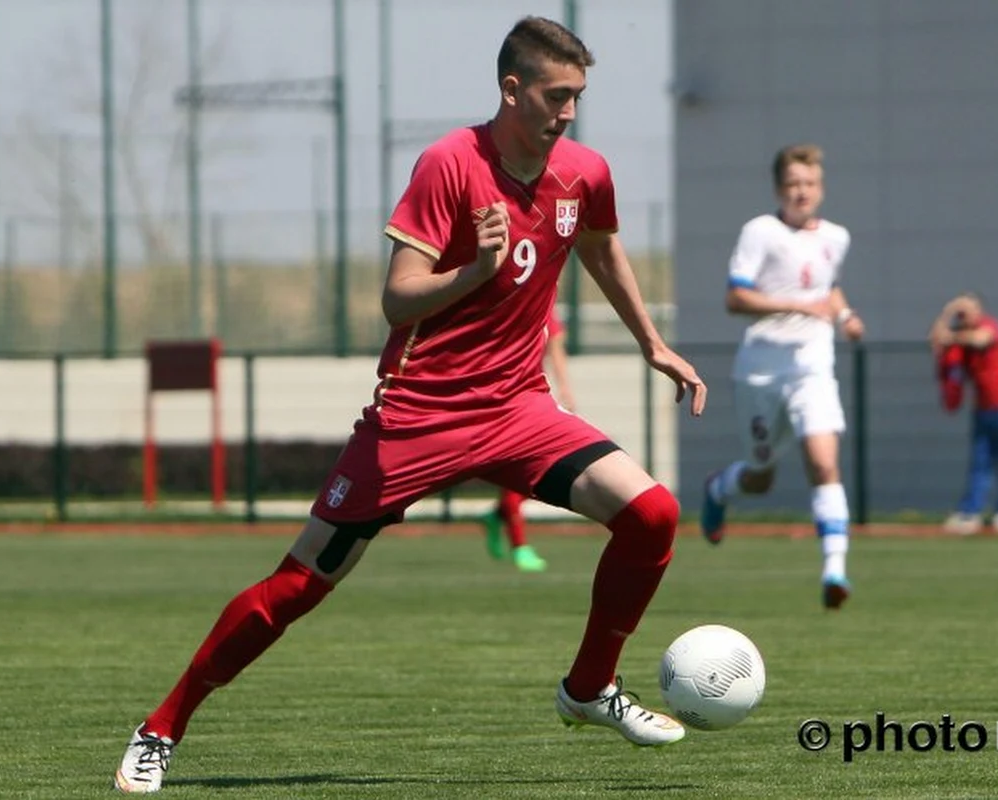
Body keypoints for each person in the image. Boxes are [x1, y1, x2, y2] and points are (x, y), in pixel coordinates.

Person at [113, 16, 706, 793]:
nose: (568, 113)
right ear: (511, 89)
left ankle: (589, 687)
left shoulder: (584, 172)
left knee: (653, 514)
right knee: (298, 586)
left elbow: (598, 245)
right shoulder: (449, 165)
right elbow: (397, 303)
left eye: (578, 97)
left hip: (519, 407)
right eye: (556, 96)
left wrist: (650, 342)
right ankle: (162, 726)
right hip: (418, 417)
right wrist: (477, 269)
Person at [698, 143, 864, 611]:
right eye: (792, 184)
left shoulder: (836, 237)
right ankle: (719, 488)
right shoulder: (761, 232)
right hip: (761, 372)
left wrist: (845, 314)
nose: (801, 192)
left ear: (821, 188)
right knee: (760, 477)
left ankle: (835, 570)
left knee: (823, 462)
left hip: (812, 367)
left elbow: (826, 286)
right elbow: (736, 298)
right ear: (778, 188)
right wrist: (798, 304)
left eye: (809, 183)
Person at [480, 307, 577, 572]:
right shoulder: (505, 300)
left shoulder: (544, 305)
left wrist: (565, 389)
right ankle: (518, 544)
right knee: (522, 474)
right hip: (498, 402)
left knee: (538, 471)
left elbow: (556, 349)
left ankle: (501, 518)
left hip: (530, 401)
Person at [928, 292, 998, 535]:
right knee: (980, 463)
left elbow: (981, 340)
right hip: (983, 408)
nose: (964, 317)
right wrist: (948, 311)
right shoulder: (959, 339)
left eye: (967, 311)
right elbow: (936, 339)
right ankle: (970, 512)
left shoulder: (989, 326)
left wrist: (954, 335)